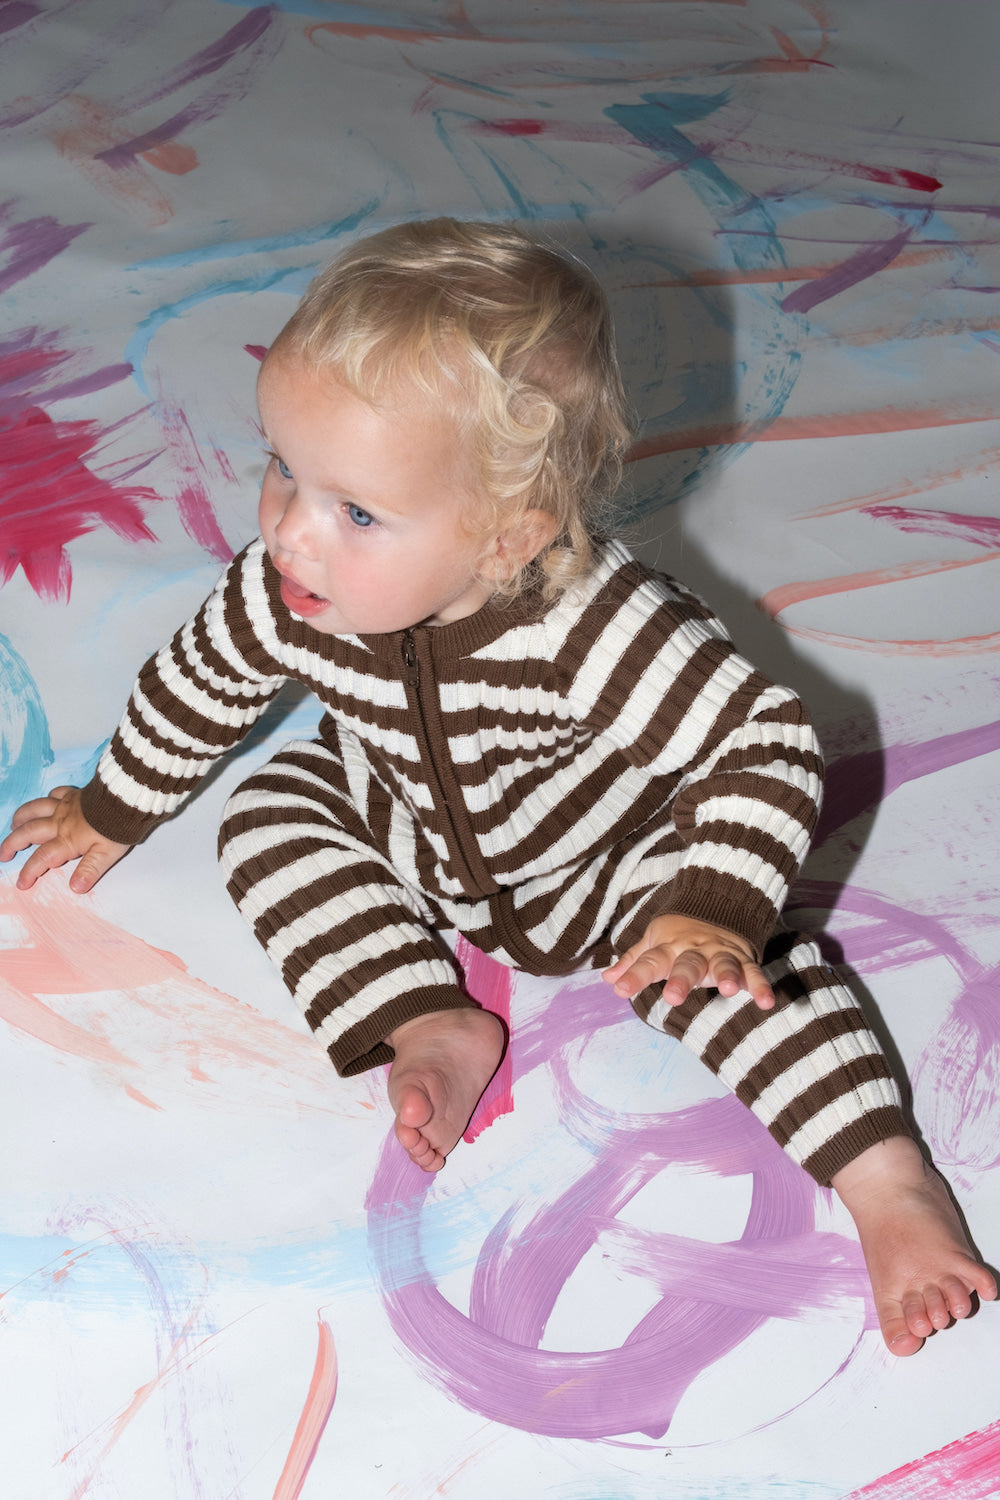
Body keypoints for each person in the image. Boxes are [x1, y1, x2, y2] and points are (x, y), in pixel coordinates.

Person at [1, 218, 994, 1357]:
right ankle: (429, 1018)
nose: (291, 534)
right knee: (270, 812)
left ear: (507, 540)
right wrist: (114, 805)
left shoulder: (593, 627)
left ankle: (885, 1181)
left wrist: (710, 906)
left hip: (620, 871)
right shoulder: (285, 593)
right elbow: (202, 680)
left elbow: (758, 741)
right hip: (413, 823)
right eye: (284, 469)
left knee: (747, 988)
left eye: (356, 512)